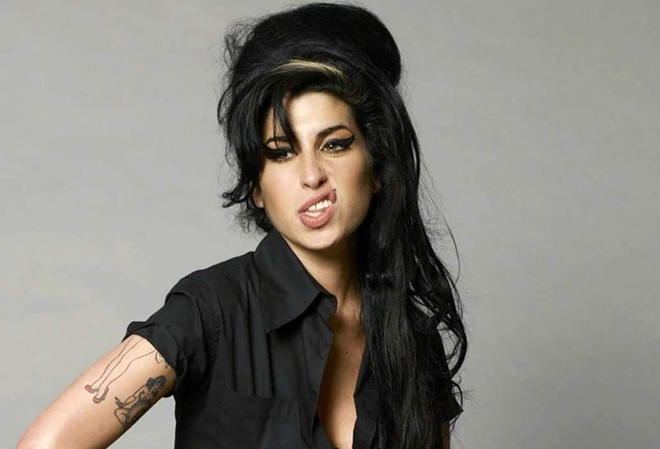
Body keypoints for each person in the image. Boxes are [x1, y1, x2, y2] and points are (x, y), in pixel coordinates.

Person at [16, 3, 467, 449]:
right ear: (256, 188)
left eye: (334, 144)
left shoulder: (413, 337)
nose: (311, 175)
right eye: (281, 152)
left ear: (376, 167)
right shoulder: (209, 310)